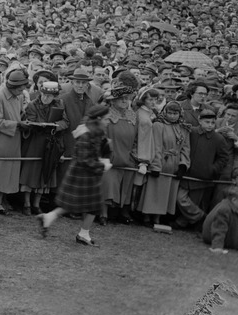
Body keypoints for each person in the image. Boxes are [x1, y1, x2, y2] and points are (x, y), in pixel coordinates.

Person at [37, 104, 112, 246]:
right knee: (92, 205)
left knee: (74, 203)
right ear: (98, 118)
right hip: (83, 174)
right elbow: (85, 160)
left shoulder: (96, 131)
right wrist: (102, 165)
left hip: (85, 174)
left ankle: (48, 217)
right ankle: (83, 234)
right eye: (106, 119)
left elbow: (100, 150)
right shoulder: (87, 134)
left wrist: (105, 151)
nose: (108, 121)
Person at [135, 100, 190, 227]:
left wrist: (183, 165)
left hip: (175, 164)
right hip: (161, 161)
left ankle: (159, 217)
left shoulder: (184, 128)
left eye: (175, 113)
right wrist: (155, 166)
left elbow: (186, 148)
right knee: (154, 190)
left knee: (167, 192)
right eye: (169, 113)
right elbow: (156, 146)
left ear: (179, 114)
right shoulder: (158, 125)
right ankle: (147, 216)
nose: (172, 116)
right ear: (164, 112)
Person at [174, 106, 230, 229]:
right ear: (199, 121)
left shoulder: (218, 138)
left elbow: (224, 157)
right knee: (181, 199)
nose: (210, 125)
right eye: (207, 122)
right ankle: (202, 217)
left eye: (213, 123)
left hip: (203, 176)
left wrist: (213, 169)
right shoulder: (191, 132)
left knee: (193, 202)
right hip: (187, 173)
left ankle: (181, 223)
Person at [0, 67, 28, 214]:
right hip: (0, 138)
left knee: (9, 169)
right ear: (12, 86)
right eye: (19, 88)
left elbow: (20, 114)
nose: (22, 91)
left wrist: (24, 121)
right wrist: (17, 124)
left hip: (14, 137)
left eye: (23, 88)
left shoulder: (20, 97)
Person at [18, 80, 65, 215]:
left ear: (54, 96)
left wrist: (56, 125)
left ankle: (36, 203)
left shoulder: (59, 105)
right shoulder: (33, 105)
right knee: (30, 171)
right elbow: (30, 120)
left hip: (50, 142)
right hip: (35, 142)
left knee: (45, 172)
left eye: (49, 96)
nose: (45, 98)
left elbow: (65, 121)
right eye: (43, 94)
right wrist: (40, 125)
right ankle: (26, 203)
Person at [99, 83, 139, 224]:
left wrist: (134, 154)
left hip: (127, 155)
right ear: (112, 100)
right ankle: (103, 214)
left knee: (126, 185)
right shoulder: (105, 115)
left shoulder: (132, 115)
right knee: (107, 183)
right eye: (121, 98)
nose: (124, 101)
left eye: (127, 98)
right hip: (109, 156)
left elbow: (137, 138)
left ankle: (121, 212)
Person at [201, 186, 238, 253]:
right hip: (215, 237)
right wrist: (217, 247)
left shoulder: (233, 206)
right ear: (234, 200)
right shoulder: (224, 209)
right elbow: (219, 229)